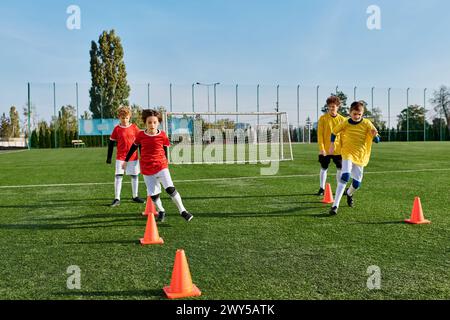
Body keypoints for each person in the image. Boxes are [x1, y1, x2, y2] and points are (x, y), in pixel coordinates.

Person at [122, 109, 193, 222]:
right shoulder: (141, 135)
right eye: (149, 122)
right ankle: (161, 210)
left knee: (170, 189)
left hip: (161, 166)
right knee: (154, 195)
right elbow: (134, 148)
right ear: (145, 123)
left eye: (154, 122)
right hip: (146, 168)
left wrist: (166, 161)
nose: (152, 125)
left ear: (158, 123)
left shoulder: (163, 135)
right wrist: (126, 161)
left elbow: (165, 148)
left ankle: (183, 211)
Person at [328, 101, 380, 215]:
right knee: (345, 176)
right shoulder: (345, 123)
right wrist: (332, 144)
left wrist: (375, 135)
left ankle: (349, 193)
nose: (357, 116)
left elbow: (377, 140)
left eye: (359, 114)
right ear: (350, 112)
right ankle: (334, 206)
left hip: (361, 156)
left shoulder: (367, 123)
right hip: (347, 153)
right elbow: (334, 132)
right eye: (355, 114)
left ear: (362, 114)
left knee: (356, 184)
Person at [106, 106, 144, 207]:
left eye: (126, 117)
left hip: (133, 157)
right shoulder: (117, 129)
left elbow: (140, 143)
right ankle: (117, 198)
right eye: (123, 118)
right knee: (118, 176)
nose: (125, 120)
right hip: (121, 157)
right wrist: (109, 157)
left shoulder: (134, 128)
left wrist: (142, 155)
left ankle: (135, 196)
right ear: (119, 117)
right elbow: (111, 143)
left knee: (134, 176)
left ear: (129, 117)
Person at [316, 96, 346, 196]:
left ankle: (339, 188)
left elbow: (344, 135)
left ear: (338, 107)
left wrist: (344, 149)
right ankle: (321, 188)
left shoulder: (342, 119)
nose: (331, 108)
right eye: (329, 106)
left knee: (340, 168)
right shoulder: (323, 118)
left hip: (338, 149)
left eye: (333, 106)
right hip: (326, 149)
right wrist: (322, 148)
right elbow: (320, 135)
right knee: (324, 168)